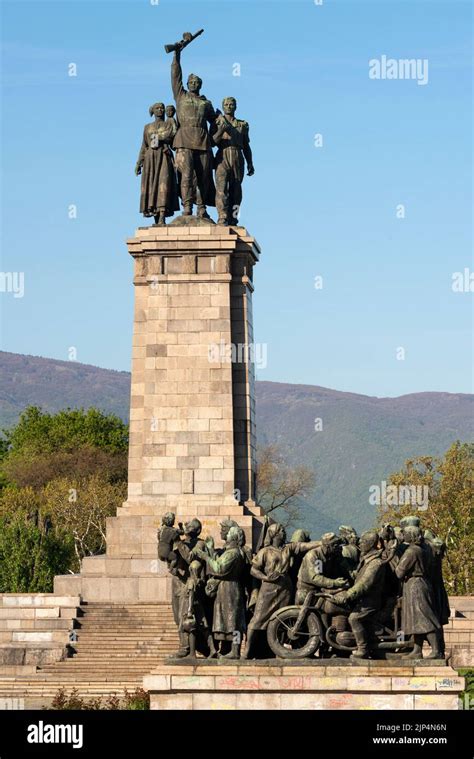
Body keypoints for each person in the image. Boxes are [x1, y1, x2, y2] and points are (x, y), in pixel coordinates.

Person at [244, 523, 320, 658]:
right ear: (274, 534)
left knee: (282, 620)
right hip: (268, 589)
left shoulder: (288, 548)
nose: (284, 533)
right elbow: (253, 570)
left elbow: (303, 546)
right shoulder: (265, 551)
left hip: (285, 588)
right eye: (282, 531)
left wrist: (322, 542)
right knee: (257, 620)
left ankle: (278, 651)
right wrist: (266, 577)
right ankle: (247, 651)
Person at [170, 46, 216, 217]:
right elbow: (175, 76)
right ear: (187, 84)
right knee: (187, 176)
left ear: (201, 85)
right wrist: (177, 55)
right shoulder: (181, 96)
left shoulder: (206, 103)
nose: (194, 84)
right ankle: (187, 207)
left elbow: (216, 122)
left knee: (203, 177)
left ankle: (202, 207)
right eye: (191, 82)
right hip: (184, 141)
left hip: (203, 141)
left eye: (197, 82)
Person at [192, 525, 248, 659]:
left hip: (229, 589)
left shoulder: (232, 553)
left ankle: (235, 651)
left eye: (229, 534)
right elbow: (218, 562)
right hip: (228, 588)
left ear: (234, 537)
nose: (226, 536)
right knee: (229, 621)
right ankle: (230, 650)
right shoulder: (236, 551)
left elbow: (219, 568)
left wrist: (205, 556)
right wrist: (211, 550)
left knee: (234, 622)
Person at [333, 530, 387, 659]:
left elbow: (364, 584)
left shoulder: (375, 563)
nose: (360, 544)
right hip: (363, 599)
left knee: (354, 618)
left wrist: (347, 595)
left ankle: (363, 649)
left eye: (363, 542)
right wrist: (343, 563)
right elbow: (357, 576)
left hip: (370, 601)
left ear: (371, 544)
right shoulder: (367, 560)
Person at [395, 525, 443, 659]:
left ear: (411, 536)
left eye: (405, 534)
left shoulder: (411, 551)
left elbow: (399, 572)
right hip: (423, 583)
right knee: (415, 619)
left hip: (415, 586)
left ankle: (436, 650)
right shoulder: (425, 549)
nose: (403, 536)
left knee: (424, 617)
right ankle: (417, 650)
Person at [135, 102, 179, 226]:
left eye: (162, 108)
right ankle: (155, 216)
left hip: (163, 156)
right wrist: (139, 162)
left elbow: (173, 135)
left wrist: (160, 137)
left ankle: (162, 216)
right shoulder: (147, 127)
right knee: (151, 186)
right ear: (153, 111)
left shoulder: (168, 124)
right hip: (150, 159)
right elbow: (144, 146)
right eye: (157, 108)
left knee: (163, 184)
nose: (160, 110)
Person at [213, 97, 254, 225]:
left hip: (237, 156)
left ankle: (234, 218)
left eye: (232, 104)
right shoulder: (217, 122)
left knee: (236, 191)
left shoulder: (242, 125)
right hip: (222, 155)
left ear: (235, 107)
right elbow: (212, 142)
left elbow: (246, 146)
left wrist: (250, 163)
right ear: (223, 106)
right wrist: (221, 130)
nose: (229, 106)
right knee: (221, 188)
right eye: (226, 104)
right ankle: (222, 217)